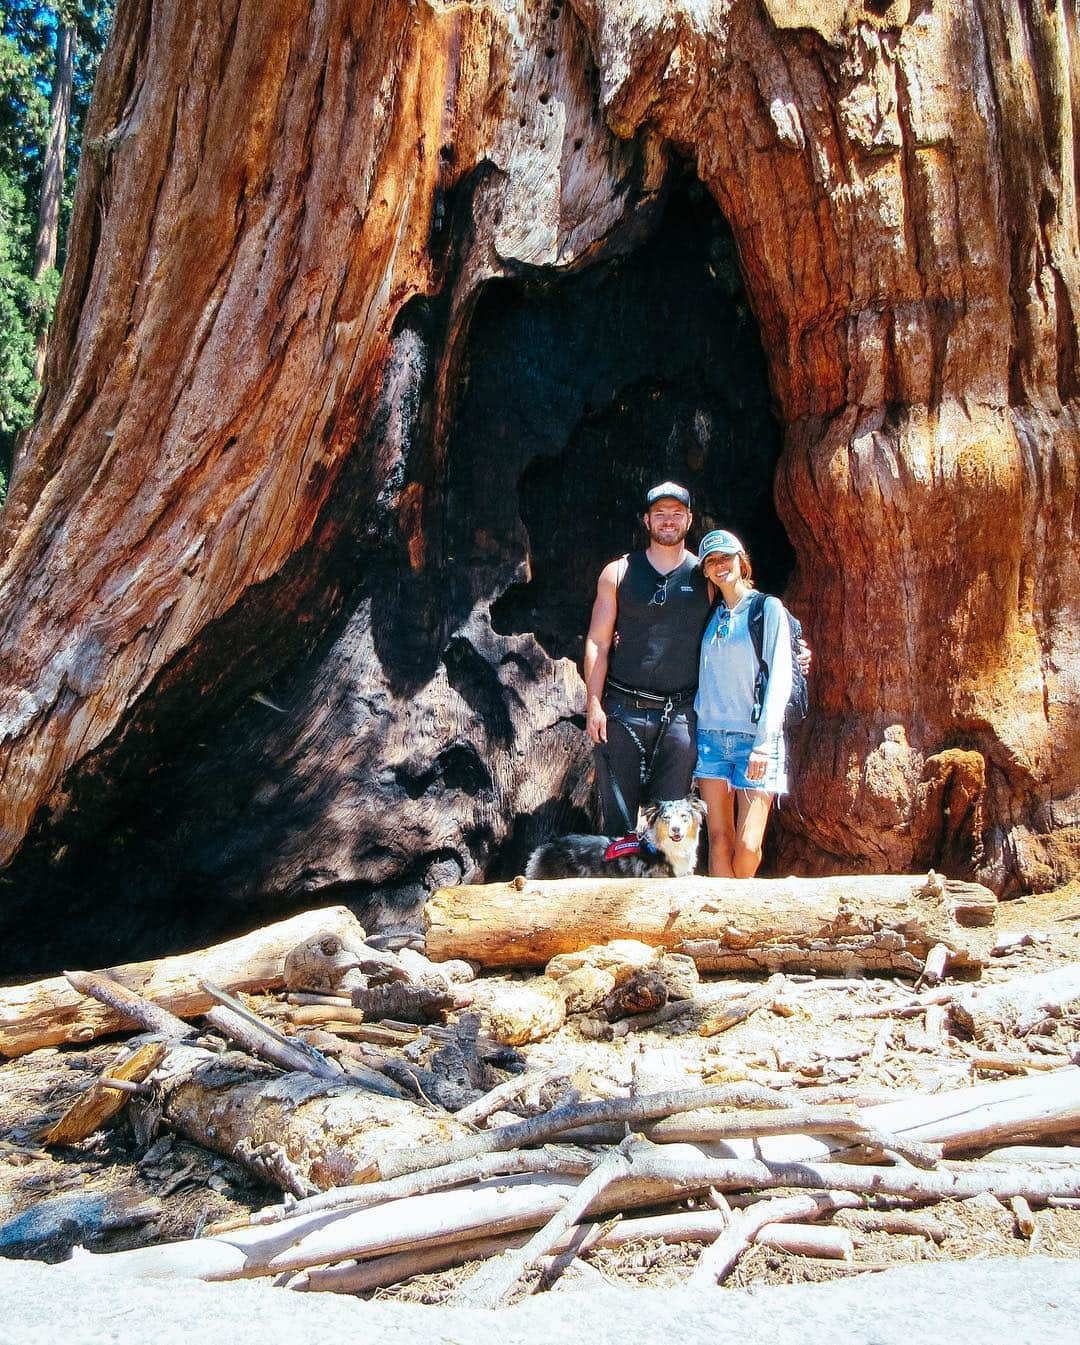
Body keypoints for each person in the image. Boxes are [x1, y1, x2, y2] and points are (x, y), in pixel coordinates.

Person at [584, 482, 712, 835]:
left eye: (676, 514)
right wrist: (594, 704)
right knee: (618, 826)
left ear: (689, 519)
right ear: (646, 520)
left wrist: (795, 651)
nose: (668, 521)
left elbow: (739, 624)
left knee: (670, 830)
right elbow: (598, 641)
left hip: (681, 716)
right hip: (622, 711)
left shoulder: (706, 576)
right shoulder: (619, 572)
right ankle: (613, 890)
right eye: (660, 514)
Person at [694, 528, 792, 878]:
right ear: (705, 570)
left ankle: (741, 911)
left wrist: (764, 744)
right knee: (719, 840)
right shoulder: (706, 614)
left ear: (742, 562)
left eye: (726, 558)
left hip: (755, 739)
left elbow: (781, 676)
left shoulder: (766, 609)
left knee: (748, 845)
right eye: (712, 561)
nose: (720, 566)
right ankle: (722, 927)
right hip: (710, 737)